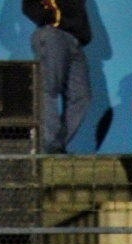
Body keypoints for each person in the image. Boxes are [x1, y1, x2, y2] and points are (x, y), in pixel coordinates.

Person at [22, 0, 92, 154]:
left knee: (81, 96)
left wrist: (82, 32)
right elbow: (28, 5)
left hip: (75, 40)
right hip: (53, 35)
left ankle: (54, 146)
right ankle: (50, 145)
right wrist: (52, 18)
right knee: (48, 89)